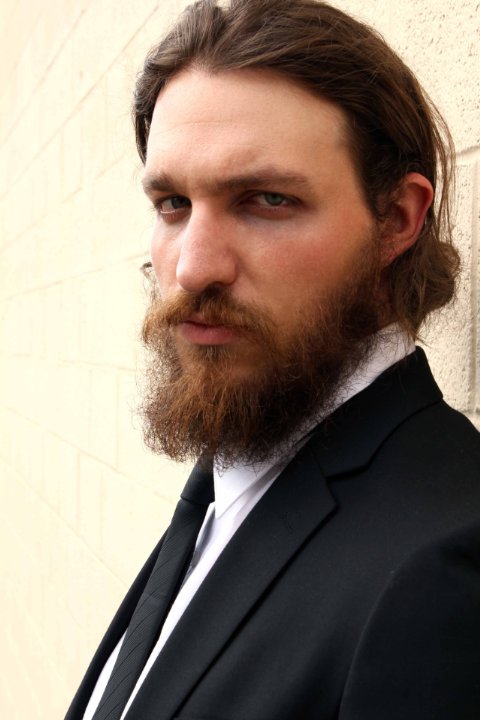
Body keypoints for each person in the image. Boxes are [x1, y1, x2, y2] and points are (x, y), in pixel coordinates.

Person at [66, 1, 480, 718]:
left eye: (266, 199)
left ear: (397, 219)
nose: (193, 267)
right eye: (172, 202)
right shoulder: (243, 459)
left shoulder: (445, 569)